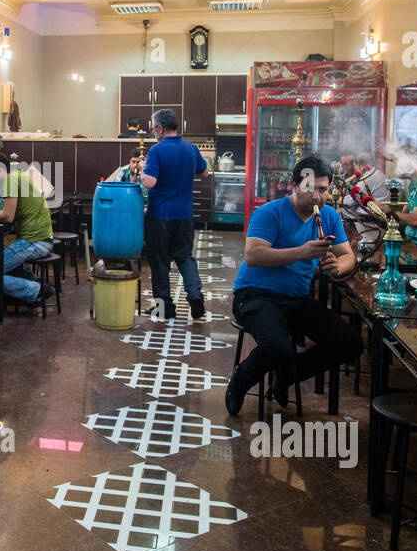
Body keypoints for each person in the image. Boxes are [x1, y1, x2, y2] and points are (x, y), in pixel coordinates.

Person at [224, 155, 361, 416]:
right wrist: (301, 252)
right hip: (255, 295)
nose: (317, 197)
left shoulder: (329, 216)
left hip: (295, 300)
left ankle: (286, 374)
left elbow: (348, 256)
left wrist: (337, 266)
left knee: (349, 343)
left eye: (323, 190)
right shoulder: (269, 213)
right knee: (277, 346)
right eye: (310, 189)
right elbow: (253, 255)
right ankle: (240, 380)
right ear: (295, 185)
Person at [139, 108, 208, 321]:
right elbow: (204, 171)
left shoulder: (157, 151)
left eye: (152, 129)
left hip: (160, 216)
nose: (153, 133)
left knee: (160, 262)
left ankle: (165, 308)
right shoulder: (190, 148)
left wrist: (142, 170)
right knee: (185, 256)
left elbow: (150, 182)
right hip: (185, 215)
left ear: (160, 128)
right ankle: (195, 294)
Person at [0, 153, 55, 306]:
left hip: (33, 242)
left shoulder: (8, 181)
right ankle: (35, 283)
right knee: (4, 267)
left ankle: (36, 289)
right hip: (43, 239)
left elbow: (8, 217)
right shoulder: (19, 176)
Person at [339, 152, 388, 241]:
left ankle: (351, 243)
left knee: (342, 211)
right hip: (376, 216)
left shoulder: (368, 177)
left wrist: (334, 198)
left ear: (359, 165)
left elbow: (351, 201)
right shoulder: (376, 173)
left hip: (374, 220)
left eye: (354, 165)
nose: (353, 168)